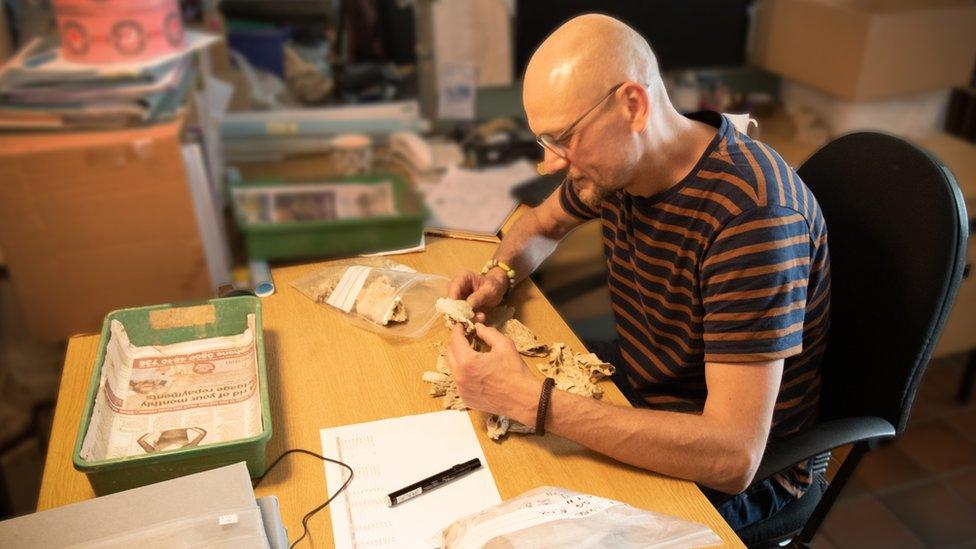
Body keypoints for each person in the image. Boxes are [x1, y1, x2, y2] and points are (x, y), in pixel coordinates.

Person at [444, 13, 831, 536]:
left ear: (633, 105)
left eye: (561, 139)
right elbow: (538, 226)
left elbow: (734, 455)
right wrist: (499, 275)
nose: (550, 164)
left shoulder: (752, 219)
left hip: (738, 476)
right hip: (642, 400)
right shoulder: (621, 167)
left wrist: (528, 401)